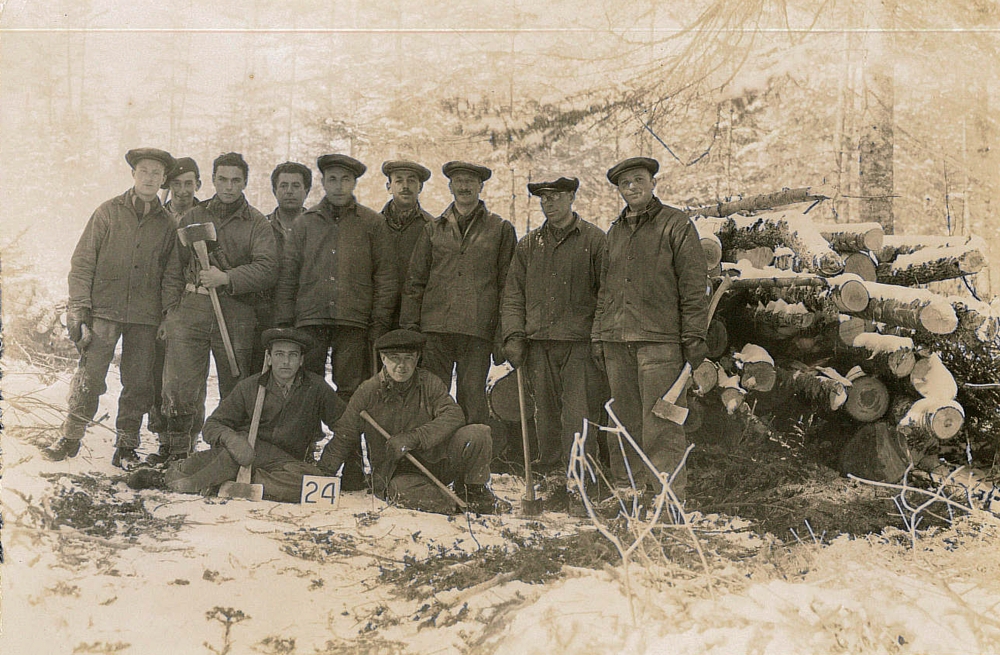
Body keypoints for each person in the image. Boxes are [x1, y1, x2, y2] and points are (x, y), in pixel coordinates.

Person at [43, 147, 177, 470]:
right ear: (133, 175)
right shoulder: (107, 213)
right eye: (143, 171)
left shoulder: (167, 225)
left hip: (145, 318)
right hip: (104, 312)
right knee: (89, 375)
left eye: (156, 174)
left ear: (162, 181)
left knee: (139, 382)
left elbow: (172, 276)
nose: (149, 178)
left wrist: (168, 315)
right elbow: (82, 263)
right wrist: (80, 309)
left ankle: (127, 446)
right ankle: (71, 435)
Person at [592, 157, 709, 503]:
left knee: (662, 423)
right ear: (619, 190)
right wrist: (599, 335)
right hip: (617, 344)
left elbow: (693, 284)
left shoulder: (676, 225)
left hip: (660, 345)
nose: (632, 188)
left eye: (639, 180)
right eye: (625, 183)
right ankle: (629, 492)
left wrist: (694, 335)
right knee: (623, 423)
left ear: (653, 183)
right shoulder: (613, 232)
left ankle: (668, 499)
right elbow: (605, 290)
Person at [127, 328, 346, 502]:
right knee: (223, 459)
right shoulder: (250, 387)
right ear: (269, 358)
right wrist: (232, 440)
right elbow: (212, 425)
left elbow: (345, 426)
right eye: (279, 354)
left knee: (315, 482)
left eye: (292, 355)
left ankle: (233, 481)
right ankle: (176, 478)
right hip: (247, 450)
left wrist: (328, 464)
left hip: (286, 462)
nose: (286, 362)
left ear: (301, 360)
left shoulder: (316, 388)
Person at [159, 152, 277, 463]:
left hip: (236, 312)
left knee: (235, 386)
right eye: (222, 179)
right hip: (192, 310)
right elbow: (173, 269)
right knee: (181, 384)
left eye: (235, 180)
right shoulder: (193, 217)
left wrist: (226, 276)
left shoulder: (257, 224)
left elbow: (267, 268)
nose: (228, 186)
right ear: (212, 180)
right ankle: (178, 449)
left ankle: (227, 450)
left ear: (245, 182)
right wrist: (171, 312)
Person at [501, 176, 607, 509]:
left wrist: (598, 337)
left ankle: (581, 483)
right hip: (538, 345)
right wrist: (514, 336)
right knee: (544, 415)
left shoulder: (594, 240)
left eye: (557, 196)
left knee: (577, 416)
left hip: (578, 344)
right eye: (544, 198)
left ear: (572, 197)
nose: (550, 203)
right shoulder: (529, 245)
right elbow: (513, 294)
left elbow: (607, 294)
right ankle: (551, 482)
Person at [319, 329, 510, 514]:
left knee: (478, 433)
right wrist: (322, 474)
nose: (401, 366)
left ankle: (474, 492)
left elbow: (453, 415)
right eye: (394, 358)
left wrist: (413, 438)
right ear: (383, 359)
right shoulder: (367, 392)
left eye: (408, 358)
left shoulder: (429, 383)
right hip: (395, 473)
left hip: (436, 463)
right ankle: (452, 503)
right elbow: (344, 436)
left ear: (417, 358)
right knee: (398, 489)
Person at [273, 153, 397, 403]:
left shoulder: (372, 223)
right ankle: (307, 440)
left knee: (350, 385)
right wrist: (285, 319)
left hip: (353, 319)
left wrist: (379, 320)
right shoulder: (304, 224)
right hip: (311, 318)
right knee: (307, 383)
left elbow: (385, 276)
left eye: (345, 179)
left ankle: (346, 440)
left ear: (354, 184)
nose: (338, 186)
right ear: (323, 183)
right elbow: (289, 274)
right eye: (332, 179)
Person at [400, 161, 516, 425]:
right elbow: (415, 282)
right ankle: (432, 459)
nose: (464, 187)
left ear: (481, 186)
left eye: (470, 181)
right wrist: (410, 330)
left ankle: (470, 460)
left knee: (472, 398)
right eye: (459, 181)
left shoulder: (500, 229)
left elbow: (508, 287)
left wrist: (501, 334)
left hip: (477, 331)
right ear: (450, 186)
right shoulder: (433, 229)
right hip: (435, 329)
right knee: (432, 396)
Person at [147, 156, 206, 466]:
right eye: (177, 184)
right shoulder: (157, 216)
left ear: (198, 184)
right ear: (167, 186)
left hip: (189, 308)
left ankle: (188, 439)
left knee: (187, 378)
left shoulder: (203, 216)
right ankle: (162, 438)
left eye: (189, 184)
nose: (183, 191)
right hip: (154, 307)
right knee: (158, 375)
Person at [250, 161, 312, 373]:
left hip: (306, 316)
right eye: (283, 186)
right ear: (274, 190)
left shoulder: (317, 229)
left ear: (307, 190)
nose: (289, 192)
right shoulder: (260, 227)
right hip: (266, 316)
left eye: (296, 186)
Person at [378, 160, 434, 330]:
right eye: (399, 180)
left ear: (420, 187)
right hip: (379, 317)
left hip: (416, 318)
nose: (405, 186)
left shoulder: (432, 227)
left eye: (411, 180)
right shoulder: (373, 225)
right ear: (389, 187)